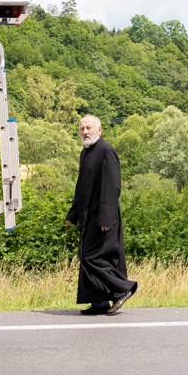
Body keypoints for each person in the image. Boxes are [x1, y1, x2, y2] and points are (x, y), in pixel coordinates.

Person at [65, 115, 137, 315]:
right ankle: (98, 302)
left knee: (91, 256)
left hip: (103, 216)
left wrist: (106, 217)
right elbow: (81, 186)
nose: (85, 132)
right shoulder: (86, 152)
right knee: (87, 255)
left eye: (89, 128)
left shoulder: (107, 150)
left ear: (99, 130)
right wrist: (73, 213)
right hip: (88, 215)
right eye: (82, 128)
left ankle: (121, 289)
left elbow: (112, 186)